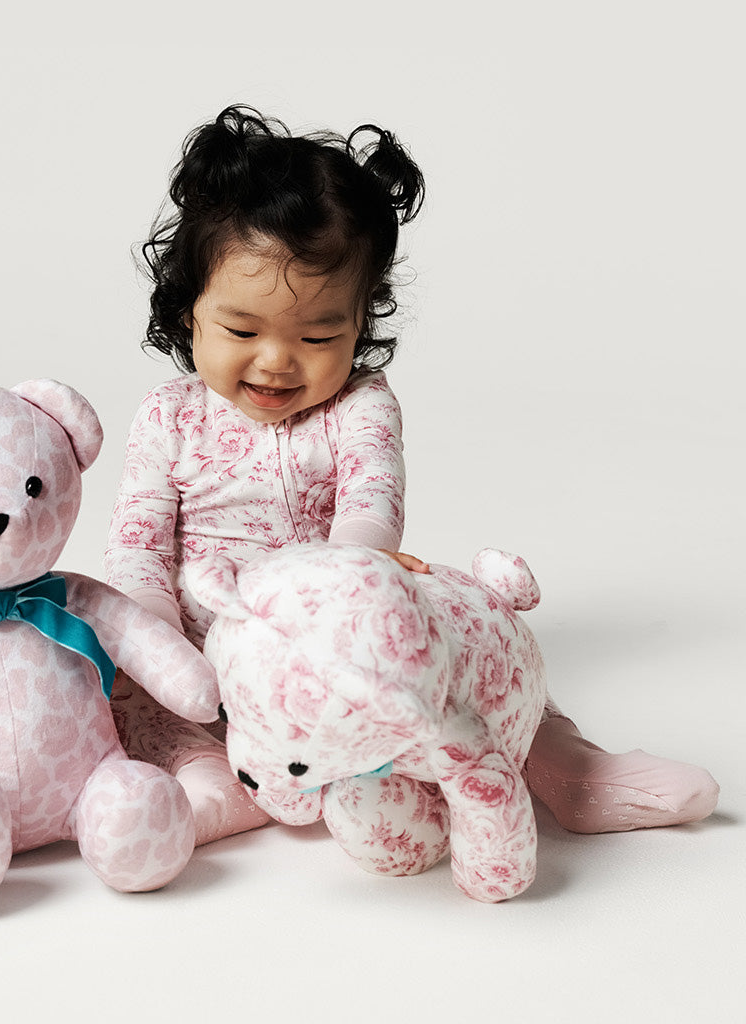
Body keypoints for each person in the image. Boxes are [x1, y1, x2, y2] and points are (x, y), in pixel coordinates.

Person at [104, 105, 718, 845]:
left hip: (341, 635)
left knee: (462, 649)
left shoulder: (360, 405)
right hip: (202, 655)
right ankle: (209, 789)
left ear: (360, 322)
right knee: (138, 704)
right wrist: (157, 649)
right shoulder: (170, 415)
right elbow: (138, 544)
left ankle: (568, 768)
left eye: (319, 335)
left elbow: (372, 504)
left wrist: (353, 584)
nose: (276, 361)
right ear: (188, 313)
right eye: (241, 330)